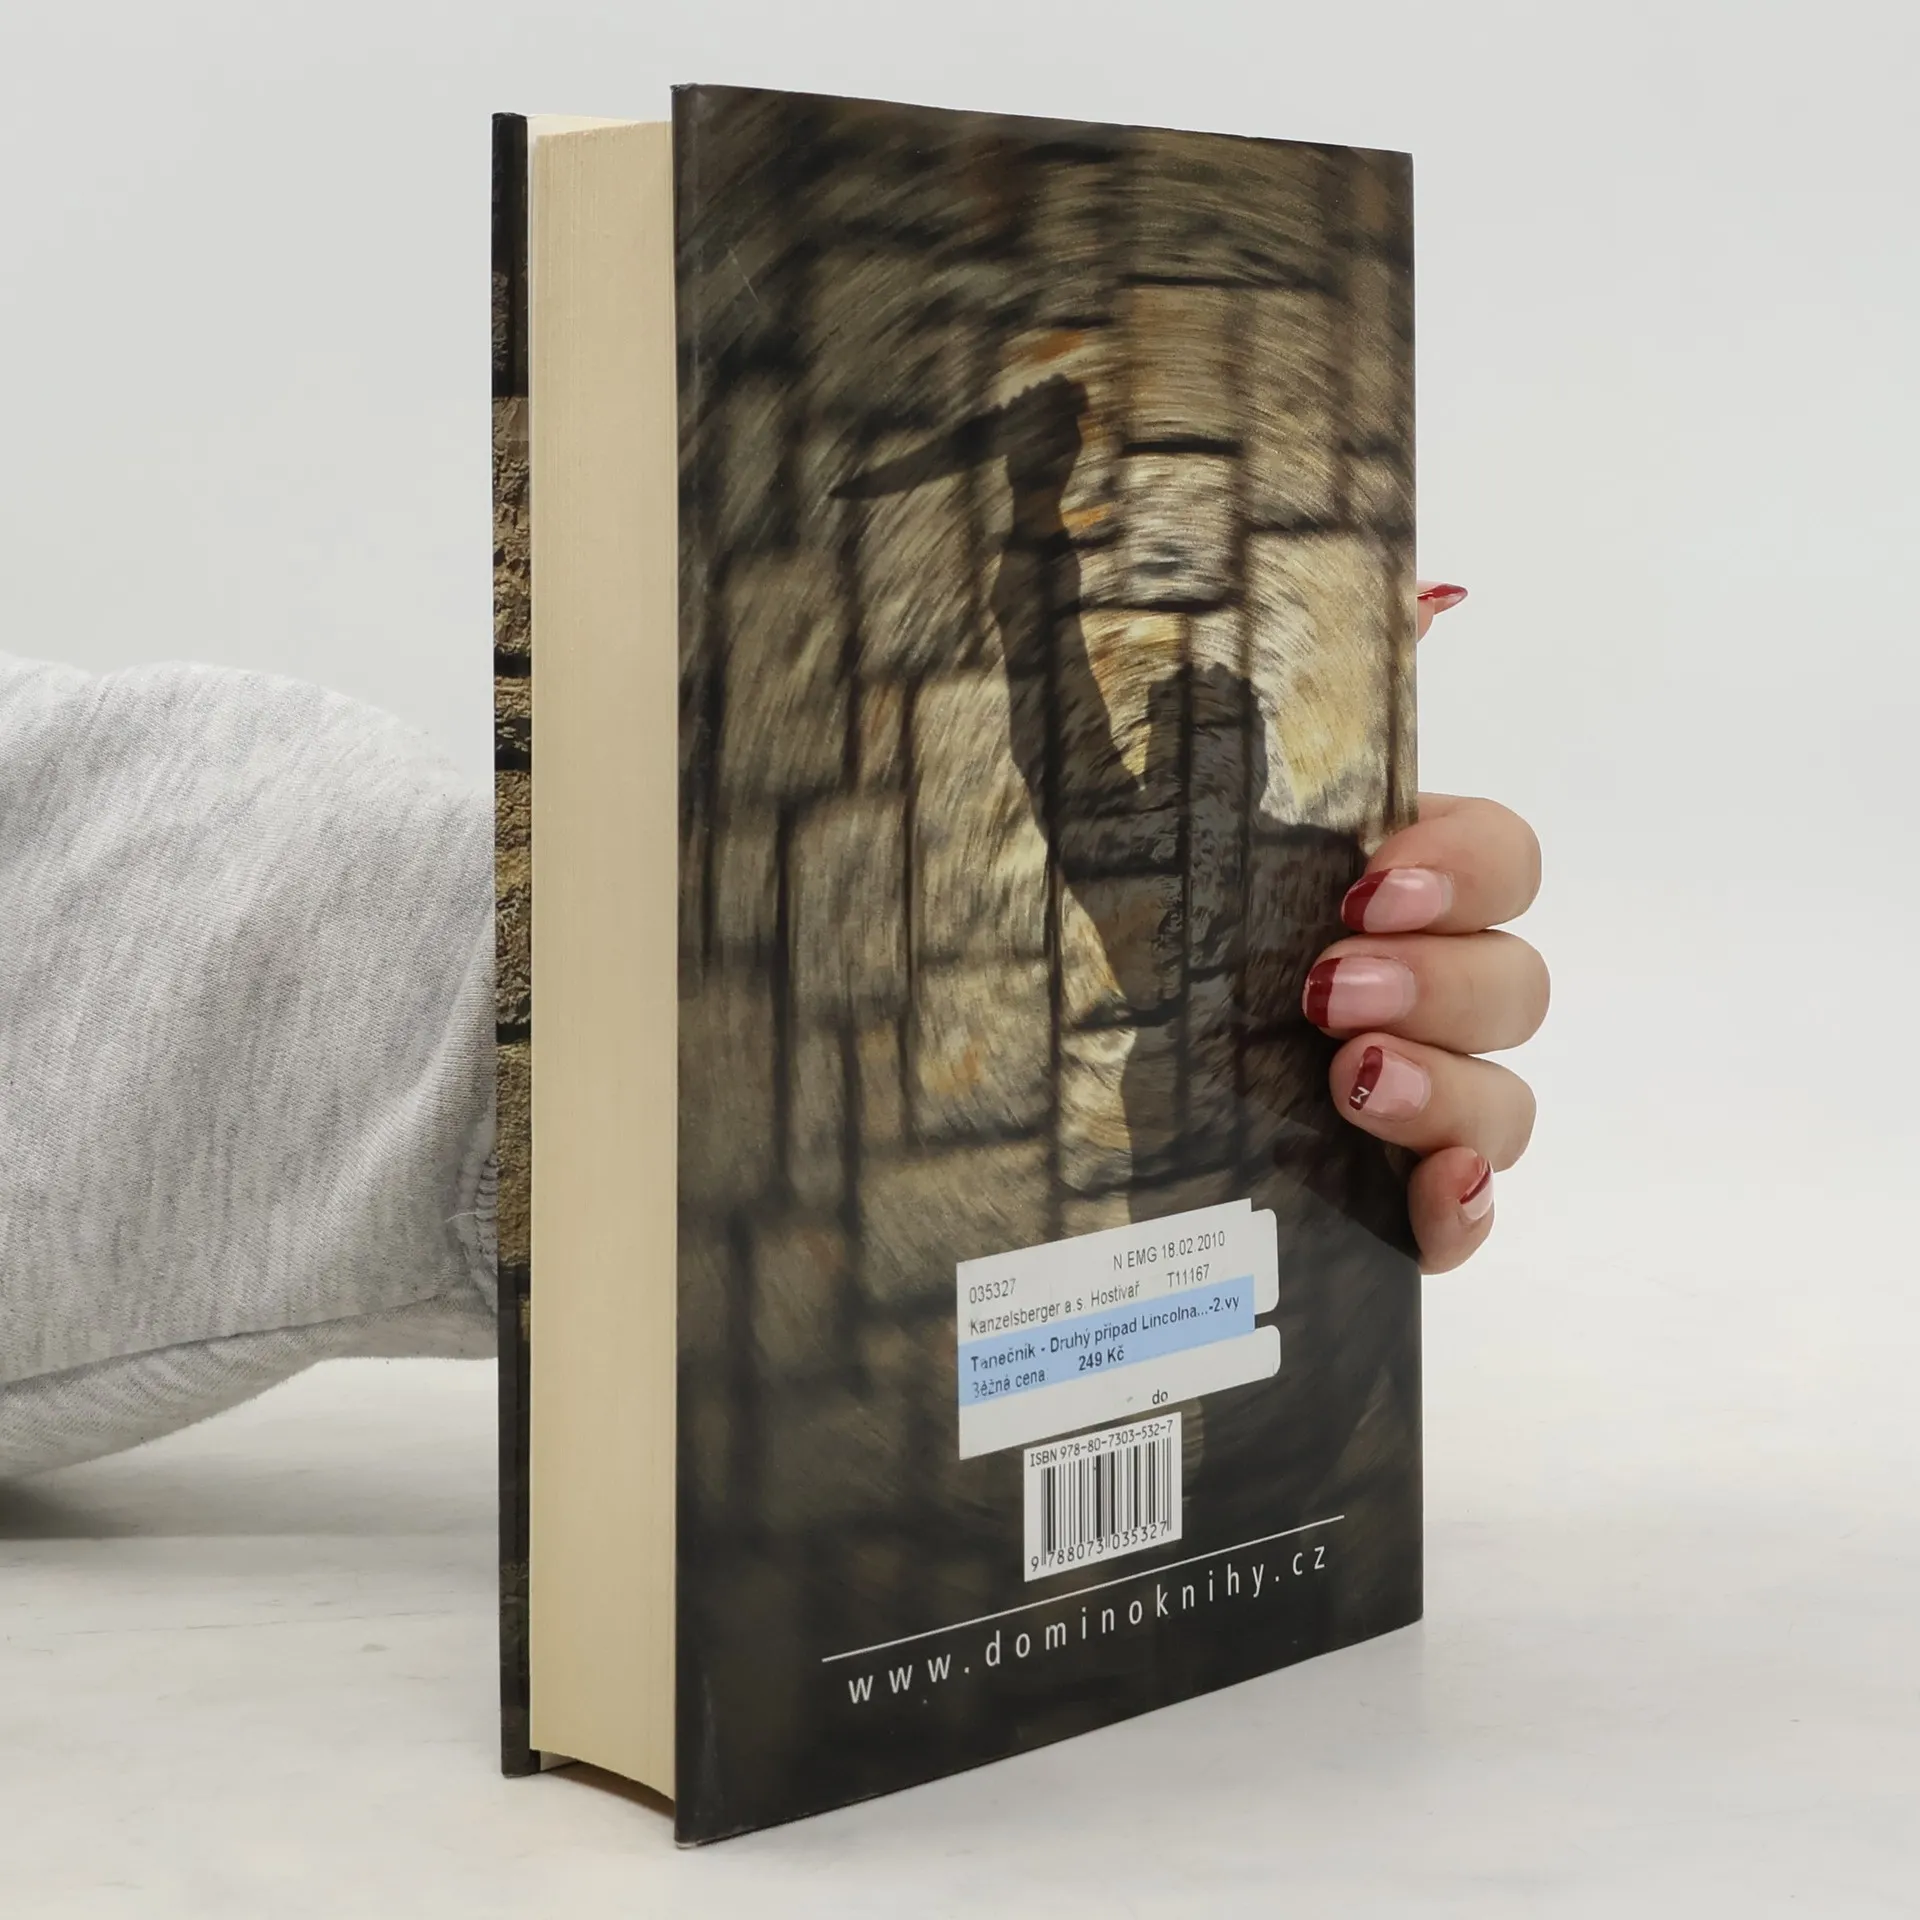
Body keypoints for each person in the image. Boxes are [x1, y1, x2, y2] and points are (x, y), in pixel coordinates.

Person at [0, 590, 1545, 1479]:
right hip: (1112, 1220)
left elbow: (1062, 717)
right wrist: (574, 1026)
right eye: (1191, 727)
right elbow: (1054, 709)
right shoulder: (1127, 836)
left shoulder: (1276, 853)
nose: (1197, 751)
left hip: (1199, 1238)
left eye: (1220, 724)